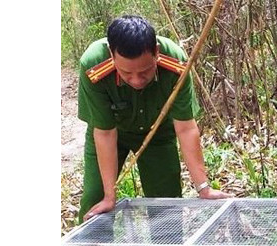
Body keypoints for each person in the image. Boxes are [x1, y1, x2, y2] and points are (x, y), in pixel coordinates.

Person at [77, 14, 229, 223]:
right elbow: (104, 132)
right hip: (111, 133)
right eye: (127, 73)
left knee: (166, 205)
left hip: (157, 133)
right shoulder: (94, 65)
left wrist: (203, 188)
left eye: (145, 71)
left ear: (156, 52)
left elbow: (185, 128)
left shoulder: (175, 62)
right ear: (112, 56)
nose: (137, 80)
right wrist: (109, 196)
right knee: (95, 200)